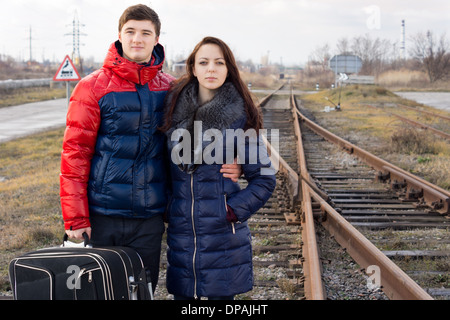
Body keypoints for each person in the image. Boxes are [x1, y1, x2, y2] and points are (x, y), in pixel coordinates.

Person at [60, 5, 241, 294]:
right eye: (130, 31)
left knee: (142, 290)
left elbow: (196, 143)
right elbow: (74, 157)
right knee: (99, 292)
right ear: (119, 35)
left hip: (150, 218)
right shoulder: (91, 88)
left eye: (146, 33)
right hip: (102, 216)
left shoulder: (172, 88)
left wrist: (237, 162)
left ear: (156, 39)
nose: (137, 39)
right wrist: (76, 219)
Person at [161, 36, 277, 300]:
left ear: (228, 69)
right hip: (182, 239)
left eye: (218, 62)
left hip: (224, 238)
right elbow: (162, 169)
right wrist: (171, 207)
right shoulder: (171, 112)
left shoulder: (239, 117)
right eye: (203, 62)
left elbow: (265, 178)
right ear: (193, 68)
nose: (211, 68)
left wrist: (231, 210)